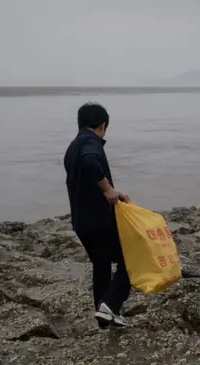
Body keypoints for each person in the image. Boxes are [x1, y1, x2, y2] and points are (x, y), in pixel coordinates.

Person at [64, 102, 132, 329]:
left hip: (81, 222)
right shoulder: (91, 143)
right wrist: (107, 190)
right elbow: (90, 162)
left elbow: (83, 179)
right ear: (102, 125)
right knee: (130, 261)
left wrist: (115, 191)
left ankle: (104, 317)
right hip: (100, 222)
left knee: (101, 265)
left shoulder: (72, 146)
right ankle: (110, 305)